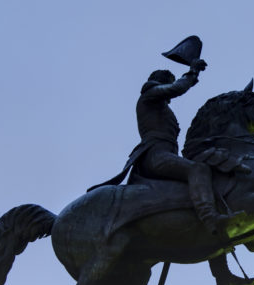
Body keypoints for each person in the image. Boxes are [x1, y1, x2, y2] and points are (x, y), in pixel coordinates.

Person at [89, 58, 235, 236]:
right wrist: (192, 72)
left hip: (165, 153)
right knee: (198, 169)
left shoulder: (160, 106)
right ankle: (209, 217)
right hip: (155, 154)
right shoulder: (149, 94)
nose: (170, 88)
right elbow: (177, 89)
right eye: (169, 82)